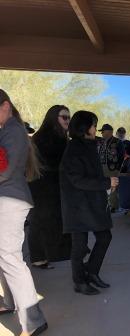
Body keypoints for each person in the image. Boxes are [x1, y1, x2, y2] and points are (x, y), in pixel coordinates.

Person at [0, 89, 48, 336]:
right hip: (7, 198)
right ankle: (10, 302)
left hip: (9, 200)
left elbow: (5, 170)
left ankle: (33, 320)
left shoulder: (13, 130)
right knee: (7, 256)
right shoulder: (8, 129)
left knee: (10, 258)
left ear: (5, 105)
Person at [60, 111, 118, 296]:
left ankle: (92, 272)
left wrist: (106, 185)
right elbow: (77, 180)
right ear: (84, 128)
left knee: (104, 237)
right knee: (79, 245)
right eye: (93, 125)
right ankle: (79, 281)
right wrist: (107, 183)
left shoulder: (89, 145)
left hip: (92, 202)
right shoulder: (74, 148)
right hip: (77, 206)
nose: (95, 128)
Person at [27, 105, 72, 269]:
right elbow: (51, 164)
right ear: (54, 118)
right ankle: (40, 257)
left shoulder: (53, 136)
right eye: (64, 117)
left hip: (45, 186)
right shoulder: (47, 137)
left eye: (69, 117)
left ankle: (41, 257)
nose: (68, 120)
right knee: (40, 221)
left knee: (40, 221)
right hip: (43, 187)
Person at [98, 124, 124, 212]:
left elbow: (121, 156)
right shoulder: (101, 141)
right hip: (101, 167)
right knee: (102, 186)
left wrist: (118, 169)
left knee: (112, 187)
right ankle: (104, 204)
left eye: (103, 131)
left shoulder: (118, 142)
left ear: (109, 132)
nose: (101, 133)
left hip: (112, 168)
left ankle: (113, 206)